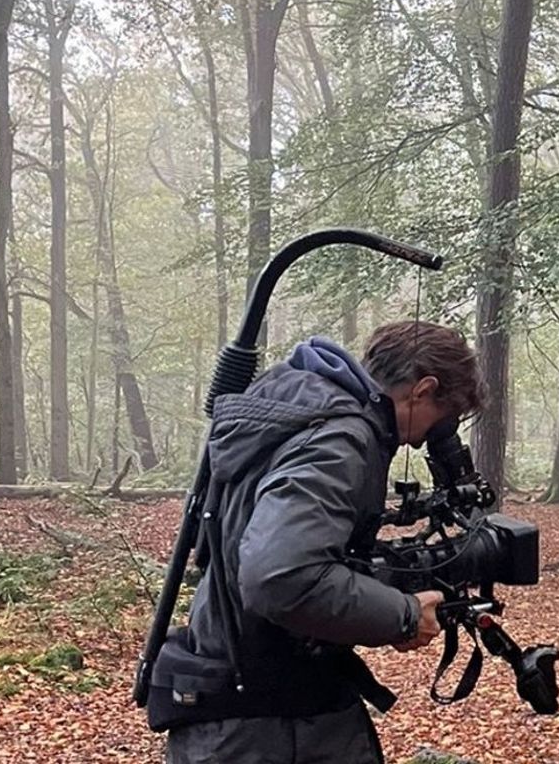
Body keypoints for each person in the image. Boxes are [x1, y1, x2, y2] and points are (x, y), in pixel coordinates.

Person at [146, 321, 484, 764]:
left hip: (246, 710)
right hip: (268, 728)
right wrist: (403, 616)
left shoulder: (297, 408)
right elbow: (279, 576)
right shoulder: (339, 439)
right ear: (423, 390)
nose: (423, 440)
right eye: (443, 417)